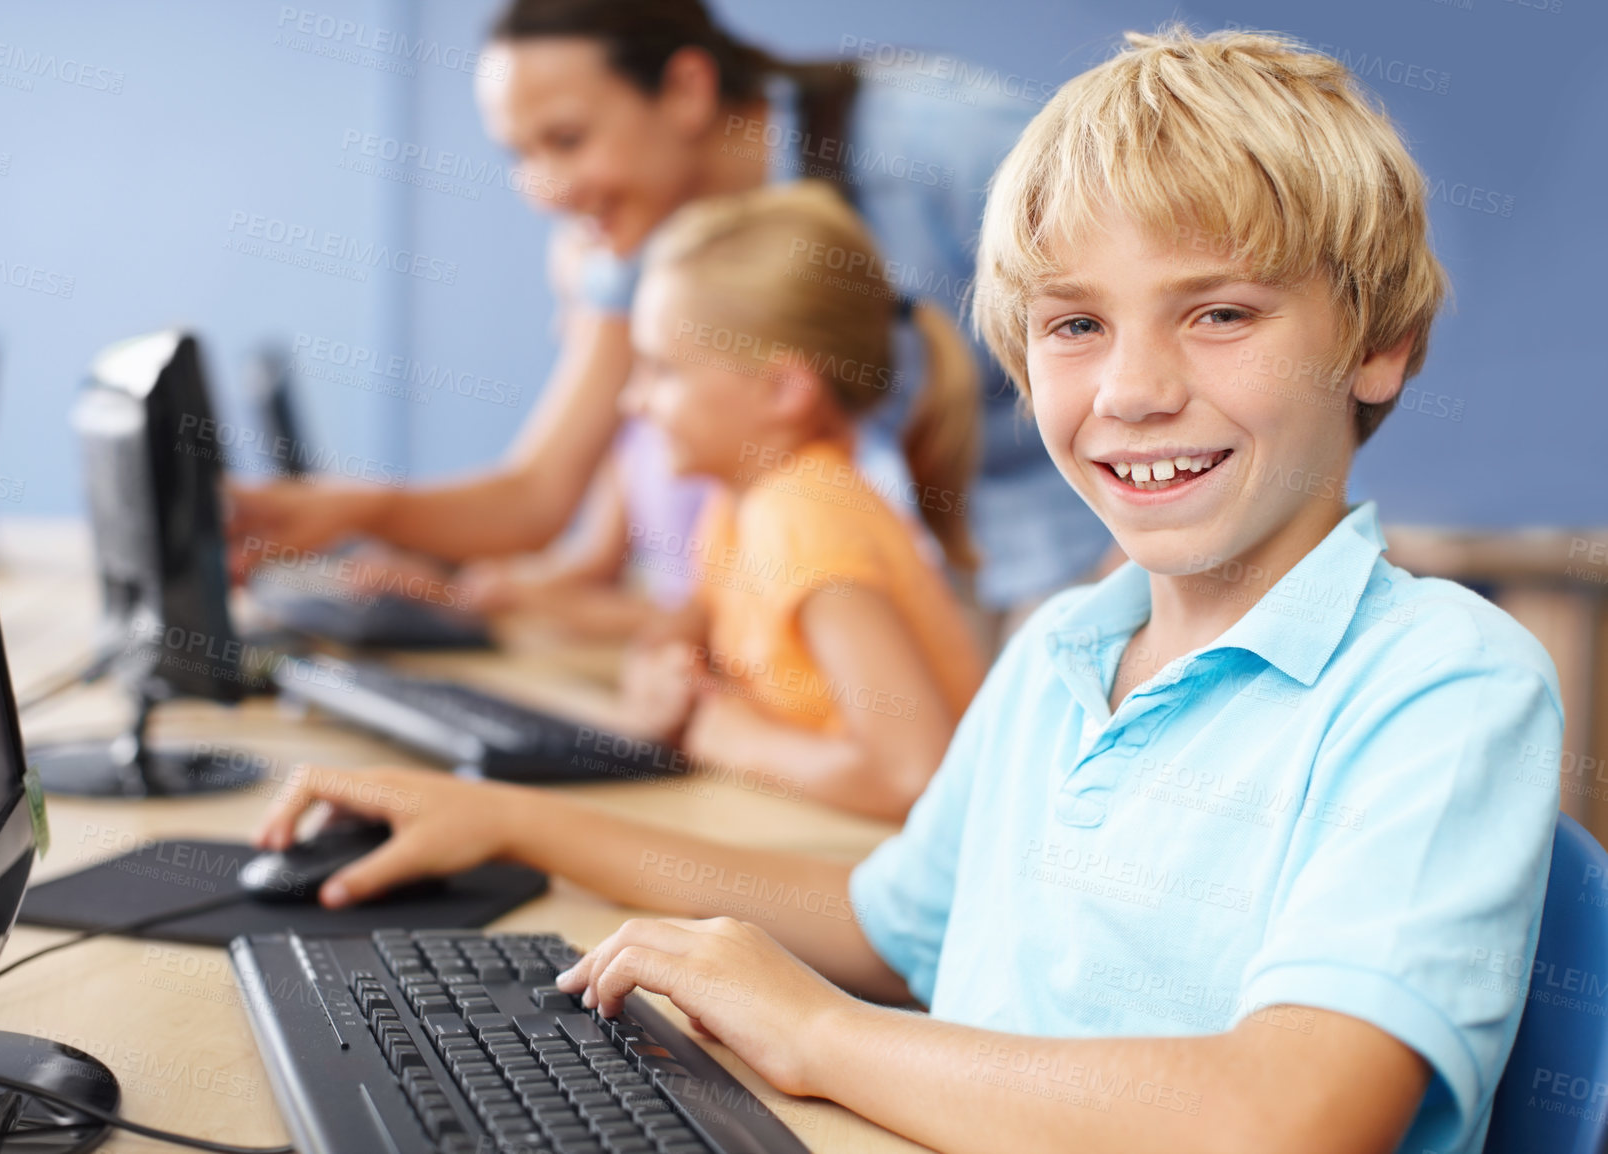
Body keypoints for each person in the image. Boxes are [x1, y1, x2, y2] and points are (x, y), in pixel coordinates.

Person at [254, 27, 1561, 1153]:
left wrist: (822, 1034)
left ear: (1380, 346)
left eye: (1219, 313)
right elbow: (884, 924)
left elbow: (1290, 1116)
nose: (1132, 389)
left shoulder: (1445, 681)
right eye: (1074, 324)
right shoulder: (1066, 646)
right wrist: (508, 819)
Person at [226, 0, 1115, 640]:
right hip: (948, 560)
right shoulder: (637, 242)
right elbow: (539, 491)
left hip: (1105, 535)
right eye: (519, 155)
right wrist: (345, 509)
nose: (543, 191)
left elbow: (1157, 332)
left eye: (566, 141)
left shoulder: (942, 144)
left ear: (686, 90)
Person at [606, 180, 983, 819]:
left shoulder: (804, 518)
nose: (632, 401)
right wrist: (665, 668)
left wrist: (730, 738)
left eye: (662, 371)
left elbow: (914, 775)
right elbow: (702, 620)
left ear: (782, 390)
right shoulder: (743, 500)